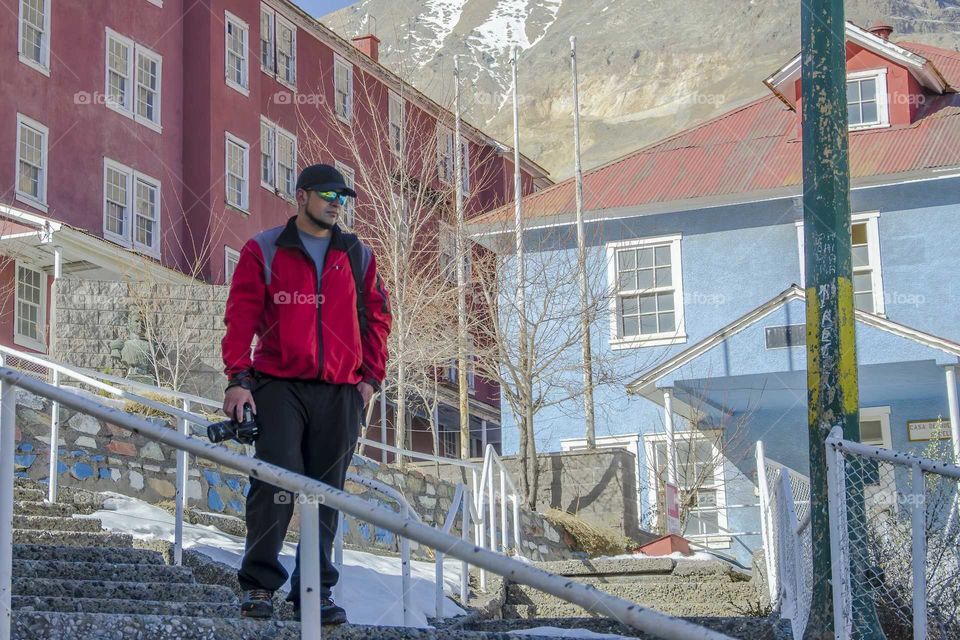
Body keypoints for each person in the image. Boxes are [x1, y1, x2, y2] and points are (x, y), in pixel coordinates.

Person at [221, 163, 391, 623]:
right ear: (301, 197)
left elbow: (377, 320)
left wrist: (369, 381)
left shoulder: (357, 254)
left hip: (341, 393)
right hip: (278, 386)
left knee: (326, 494)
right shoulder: (265, 249)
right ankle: (258, 585)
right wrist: (238, 380)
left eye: (342, 198)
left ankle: (314, 592)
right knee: (276, 483)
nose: (336, 204)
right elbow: (240, 318)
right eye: (327, 195)